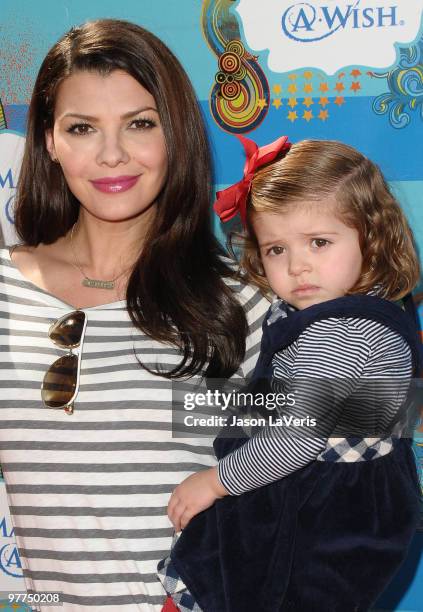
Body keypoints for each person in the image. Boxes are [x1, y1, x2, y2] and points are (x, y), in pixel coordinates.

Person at [0, 20, 270, 611]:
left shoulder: (234, 304)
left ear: (175, 134)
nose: (112, 154)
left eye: (140, 123)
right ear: (48, 140)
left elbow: (355, 426)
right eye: (82, 128)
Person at [160, 137, 422, 611]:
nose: (298, 265)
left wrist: (214, 481)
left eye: (319, 242)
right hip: (316, 500)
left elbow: (298, 437)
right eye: (276, 249)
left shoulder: (342, 331)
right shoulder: (352, 307)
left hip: (317, 516)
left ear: (372, 235)